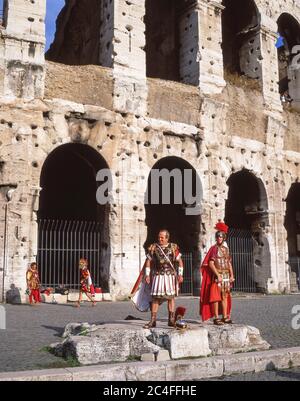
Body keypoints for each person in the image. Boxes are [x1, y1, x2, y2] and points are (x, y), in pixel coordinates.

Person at [143, 230, 184, 328]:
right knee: (155, 298)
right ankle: (153, 321)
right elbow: (148, 261)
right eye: (159, 237)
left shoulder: (173, 248)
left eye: (162, 237)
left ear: (167, 238)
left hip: (170, 275)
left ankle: (171, 320)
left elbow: (180, 262)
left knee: (171, 298)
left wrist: (180, 275)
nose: (160, 239)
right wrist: (147, 275)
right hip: (158, 275)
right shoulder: (154, 248)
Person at [200, 221, 235, 325]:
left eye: (221, 237)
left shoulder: (226, 249)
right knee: (215, 297)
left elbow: (229, 263)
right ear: (216, 238)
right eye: (218, 237)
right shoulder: (214, 249)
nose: (219, 238)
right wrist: (217, 274)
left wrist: (232, 275)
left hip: (226, 276)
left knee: (224, 296)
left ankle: (225, 316)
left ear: (224, 238)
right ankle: (216, 317)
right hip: (217, 276)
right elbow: (210, 263)